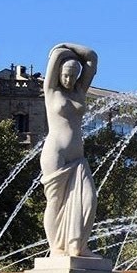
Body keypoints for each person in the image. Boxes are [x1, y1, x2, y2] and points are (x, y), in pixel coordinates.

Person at [40, 43, 100, 258]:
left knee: (89, 199)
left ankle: (77, 246)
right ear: (59, 73)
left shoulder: (79, 91)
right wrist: (60, 49)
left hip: (78, 156)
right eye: (66, 75)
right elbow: (55, 56)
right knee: (55, 201)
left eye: (74, 75)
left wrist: (69, 46)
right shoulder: (51, 91)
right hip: (55, 153)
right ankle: (56, 248)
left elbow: (92, 59)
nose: (70, 79)